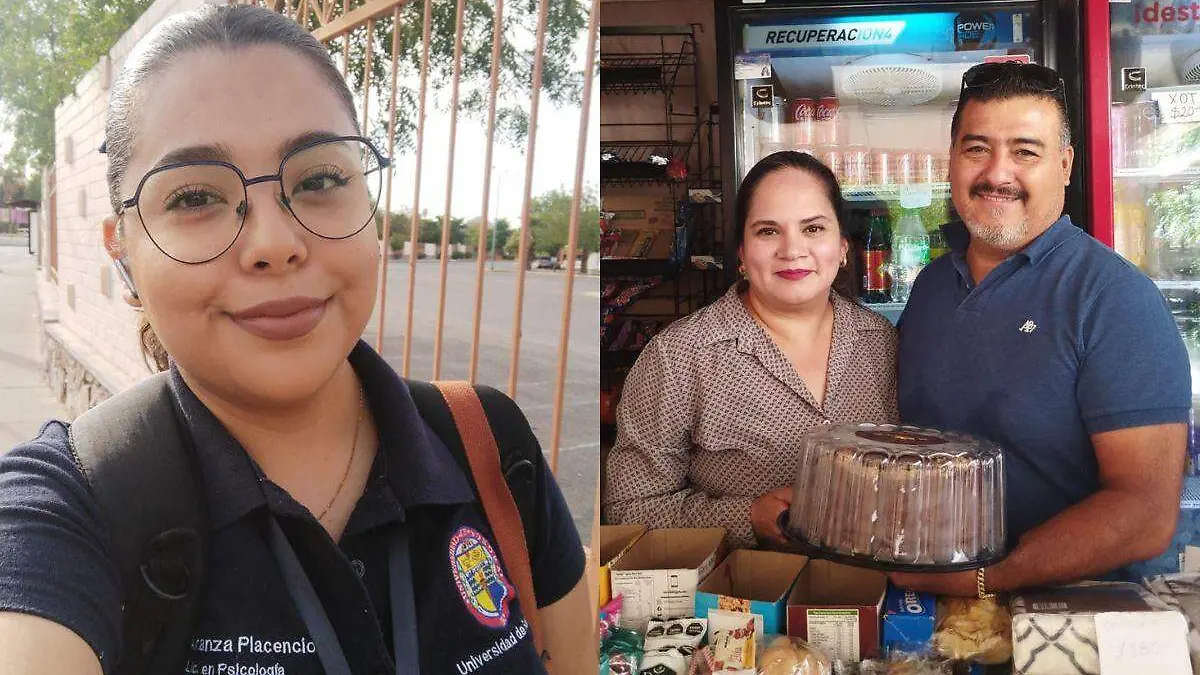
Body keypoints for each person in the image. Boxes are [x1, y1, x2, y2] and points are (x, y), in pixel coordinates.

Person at [0, 6, 592, 674]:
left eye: (317, 180)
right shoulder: (68, 510)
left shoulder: (489, 446)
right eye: (195, 196)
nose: (276, 244)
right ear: (124, 255)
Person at [890, 62, 1191, 597]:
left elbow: (1145, 512)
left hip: (1072, 615)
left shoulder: (1114, 300)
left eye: (1025, 152)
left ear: (1066, 164)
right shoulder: (931, 288)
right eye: (977, 148)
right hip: (929, 602)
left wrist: (982, 579)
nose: (997, 173)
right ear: (953, 160)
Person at [603, 151, 899, 550]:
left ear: (843, 246)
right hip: (741, 601)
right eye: (767, 231)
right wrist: (747, 518)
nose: (792, 250)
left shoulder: (881, 342)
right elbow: (628, 507)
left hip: (884, 595)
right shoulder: (678, 356)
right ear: (741, 252)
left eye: (813, 229)